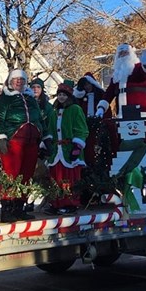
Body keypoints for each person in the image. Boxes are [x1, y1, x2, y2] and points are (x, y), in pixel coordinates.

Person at [0, 69, 48, 222]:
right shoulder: (4, 99)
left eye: (22, 80)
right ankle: (7, 209)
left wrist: (45, 136)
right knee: (11, 175)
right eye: (16, 79)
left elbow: (39, 119)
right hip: (13, 141)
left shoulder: (30, 99)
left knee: (26, 175)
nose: (19, 82)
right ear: (10, 81)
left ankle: (19, 207)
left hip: (31, 142)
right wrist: (0, 138)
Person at [46, 81, 89, 214]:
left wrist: (77, 146)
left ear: (69, 96)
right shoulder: (54, 112)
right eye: (59, 95)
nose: (61, 97)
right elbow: (50, 130)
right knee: (56, 178)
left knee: (69, 179)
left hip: (69, 150)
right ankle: (56, 203)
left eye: (64, 95)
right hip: (57, 152)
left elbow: (82, 129)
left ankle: (70, 203)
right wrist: (46, 144)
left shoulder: (75, 109)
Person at [98, 43, 146, 118]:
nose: (123, 56)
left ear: (131, 54)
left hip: (139, 112)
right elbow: (109, 92)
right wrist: (101, 107)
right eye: (120, 54)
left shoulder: (138, 68)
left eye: (125, 53)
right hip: (121, 114)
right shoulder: (117, 74)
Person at [28, 77, 57, 212]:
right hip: (30, 141)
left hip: (44, 143)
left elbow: (51, 125)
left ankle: (46, 199)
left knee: (43, 173)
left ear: (42, 89)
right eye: (33, 87)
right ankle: (28, 200)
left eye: (38, 87)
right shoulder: (26, 103)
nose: (35, 89)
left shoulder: (48, 107)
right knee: (29, 173)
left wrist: (47, 143)